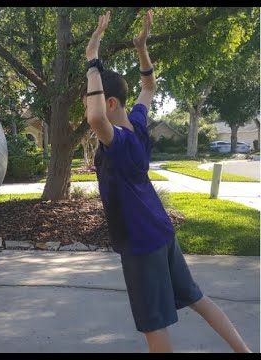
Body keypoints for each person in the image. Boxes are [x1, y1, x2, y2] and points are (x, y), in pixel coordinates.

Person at [84, 10, 251, 353]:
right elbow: (149, 85)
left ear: (110, 101)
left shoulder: (118, 140)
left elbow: (95, 116)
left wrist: (92, 60)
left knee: (153, 325)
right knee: (197, 298)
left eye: (92, 95)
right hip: (160, 231)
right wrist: (142, 48)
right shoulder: (138, 124)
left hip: (141, 243)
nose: (89, 104)